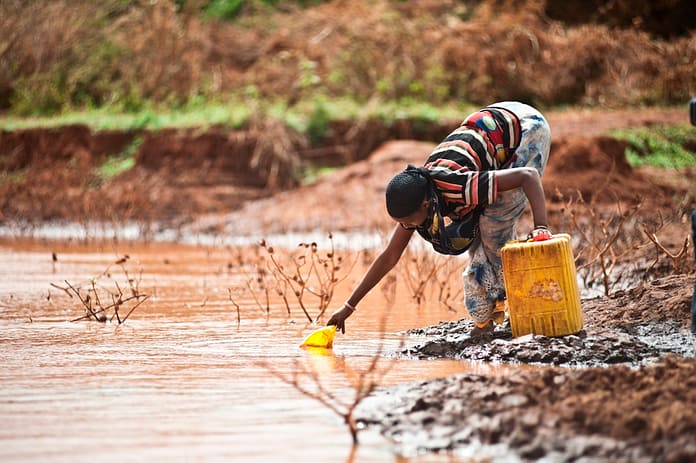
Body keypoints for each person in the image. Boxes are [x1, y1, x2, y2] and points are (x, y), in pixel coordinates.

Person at [326, 101, 552, 337]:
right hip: (494, 124)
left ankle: (503, 310)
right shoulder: (420, 193)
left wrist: (541, 228)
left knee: (494, 222)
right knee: (477, 234)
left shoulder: (457, 186)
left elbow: (527, 176)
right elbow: (390, 256)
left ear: (425, 204)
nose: (409, 228)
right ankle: (491, 315)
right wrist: (349, 306)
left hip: (526, 128)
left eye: (410, 222)